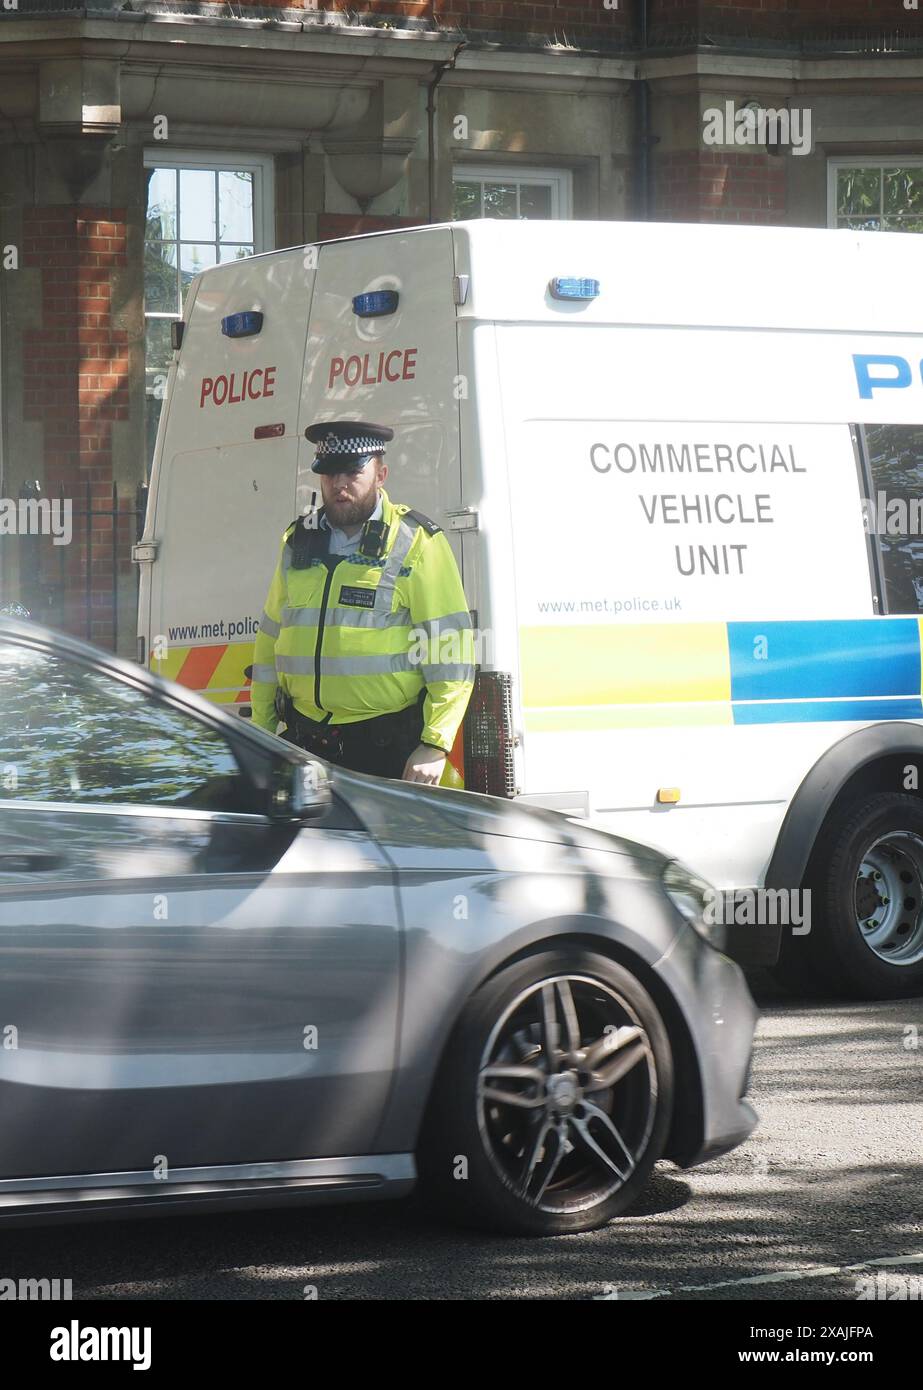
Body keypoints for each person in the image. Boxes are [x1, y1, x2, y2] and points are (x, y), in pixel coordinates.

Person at [250, 420, 475, 784]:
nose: (340, 484)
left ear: (381, 474)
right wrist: (259, 731)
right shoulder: (298, 542)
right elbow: (269, 643)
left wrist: (435, 744)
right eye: (329, 473)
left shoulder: (417, 542)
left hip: (388, 751)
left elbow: (451, 650)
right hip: (307, 746)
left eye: (353, 472)